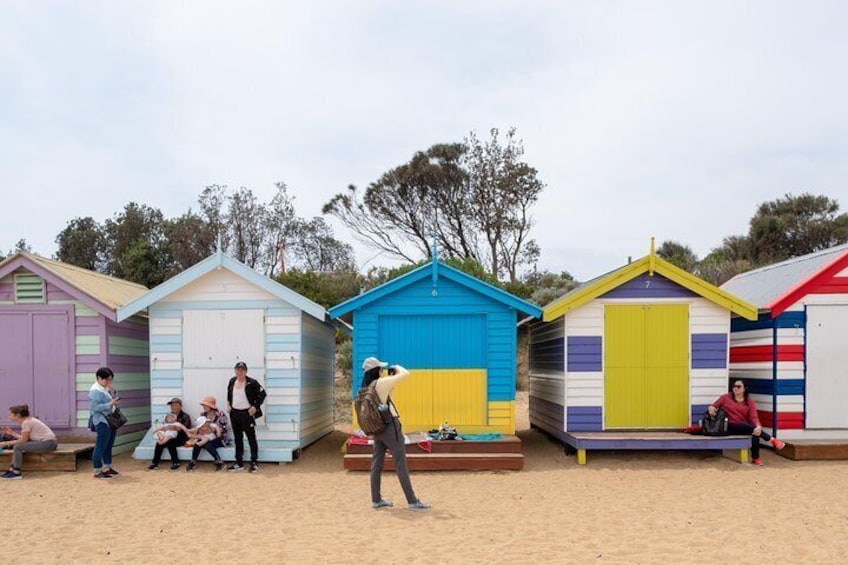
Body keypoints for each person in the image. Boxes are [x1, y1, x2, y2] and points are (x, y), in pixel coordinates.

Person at [361, 356, 430, 511]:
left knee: (376, 464)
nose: (383, 370)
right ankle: (412, 501)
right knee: (400, 464)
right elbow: (405, 374)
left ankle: (376, 500)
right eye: (381, 368)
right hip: (389, 428)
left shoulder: (366, 386)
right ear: (376, 370)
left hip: (376, 429)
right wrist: (397, 366)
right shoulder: (381, 383)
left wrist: (389, 375)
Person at [686, 379, 786, 466]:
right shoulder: (726, 397)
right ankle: (771, 439)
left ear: (744, 388)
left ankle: (756, 458)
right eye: (734, 386)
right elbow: (714, 405)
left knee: (755, 433)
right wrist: (711, 407)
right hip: (727, 426)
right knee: (747, 427)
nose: (735, 388)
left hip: (743, 428)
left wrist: (758, 426)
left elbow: (753, 416)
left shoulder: (749, 402)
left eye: (738, 386)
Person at [226, 361, 267, 473]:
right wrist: (228, 404)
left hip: (247, 414)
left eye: (242, 370)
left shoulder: (252, 382)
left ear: (246, 371)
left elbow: (263, 394)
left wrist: (255, 406)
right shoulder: (232, 381)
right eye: (238, 369)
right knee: (238, 438)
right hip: (234, 414)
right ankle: (239, 463)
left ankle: (254, 462)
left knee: (251, 438)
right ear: (235, 370)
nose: (240, 372)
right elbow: (229, 394)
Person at [0, 404, 58, 480]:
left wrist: (5, 443)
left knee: (18, 447)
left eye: (10, 414)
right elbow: (25, 439)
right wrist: (11, 433)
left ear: (17, 415)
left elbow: (23, 440)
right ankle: (12, 469)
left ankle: (16, 472)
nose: (9, 416)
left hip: (48, 443)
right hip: (47, 443)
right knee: (18, 446)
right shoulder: (28, 421)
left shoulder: (26, 423)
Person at [89, 367, 120, 479]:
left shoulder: (105, 388)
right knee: (100, 446)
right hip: (102, 421)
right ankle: (97, 470)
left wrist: (113, 393)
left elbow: (111, 399)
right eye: (106, 380)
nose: (108, 382)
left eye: (110, 380)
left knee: (108, 445)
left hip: (110, 420)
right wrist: (110, 404)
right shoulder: (95, 391)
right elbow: (94, 407)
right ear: (98, 378)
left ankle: (106, 467)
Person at [148, 398, 193, 471]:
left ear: (180, 406)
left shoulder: (185, 416)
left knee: (170, 442)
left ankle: (176, 462)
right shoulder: (168, 416)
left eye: (175, 405)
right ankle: (155, 463)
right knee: (159, 442)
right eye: (172, 405)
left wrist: (173, 427)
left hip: (181, 438)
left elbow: (184, 430)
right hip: (169, 435)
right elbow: (164, 427)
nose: (173, 407)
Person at [186, 396, 228, 472]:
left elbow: (223, 429)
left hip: (219, 438)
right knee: (198, 443)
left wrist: (212, 431)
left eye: (205, 405)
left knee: (207, 444)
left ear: (211, 406)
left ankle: (220, 462)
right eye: (203, 405)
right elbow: (200, 426)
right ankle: (193, 461)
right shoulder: (203, 414)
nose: (203, 407)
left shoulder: (220, 414)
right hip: (205, 436)